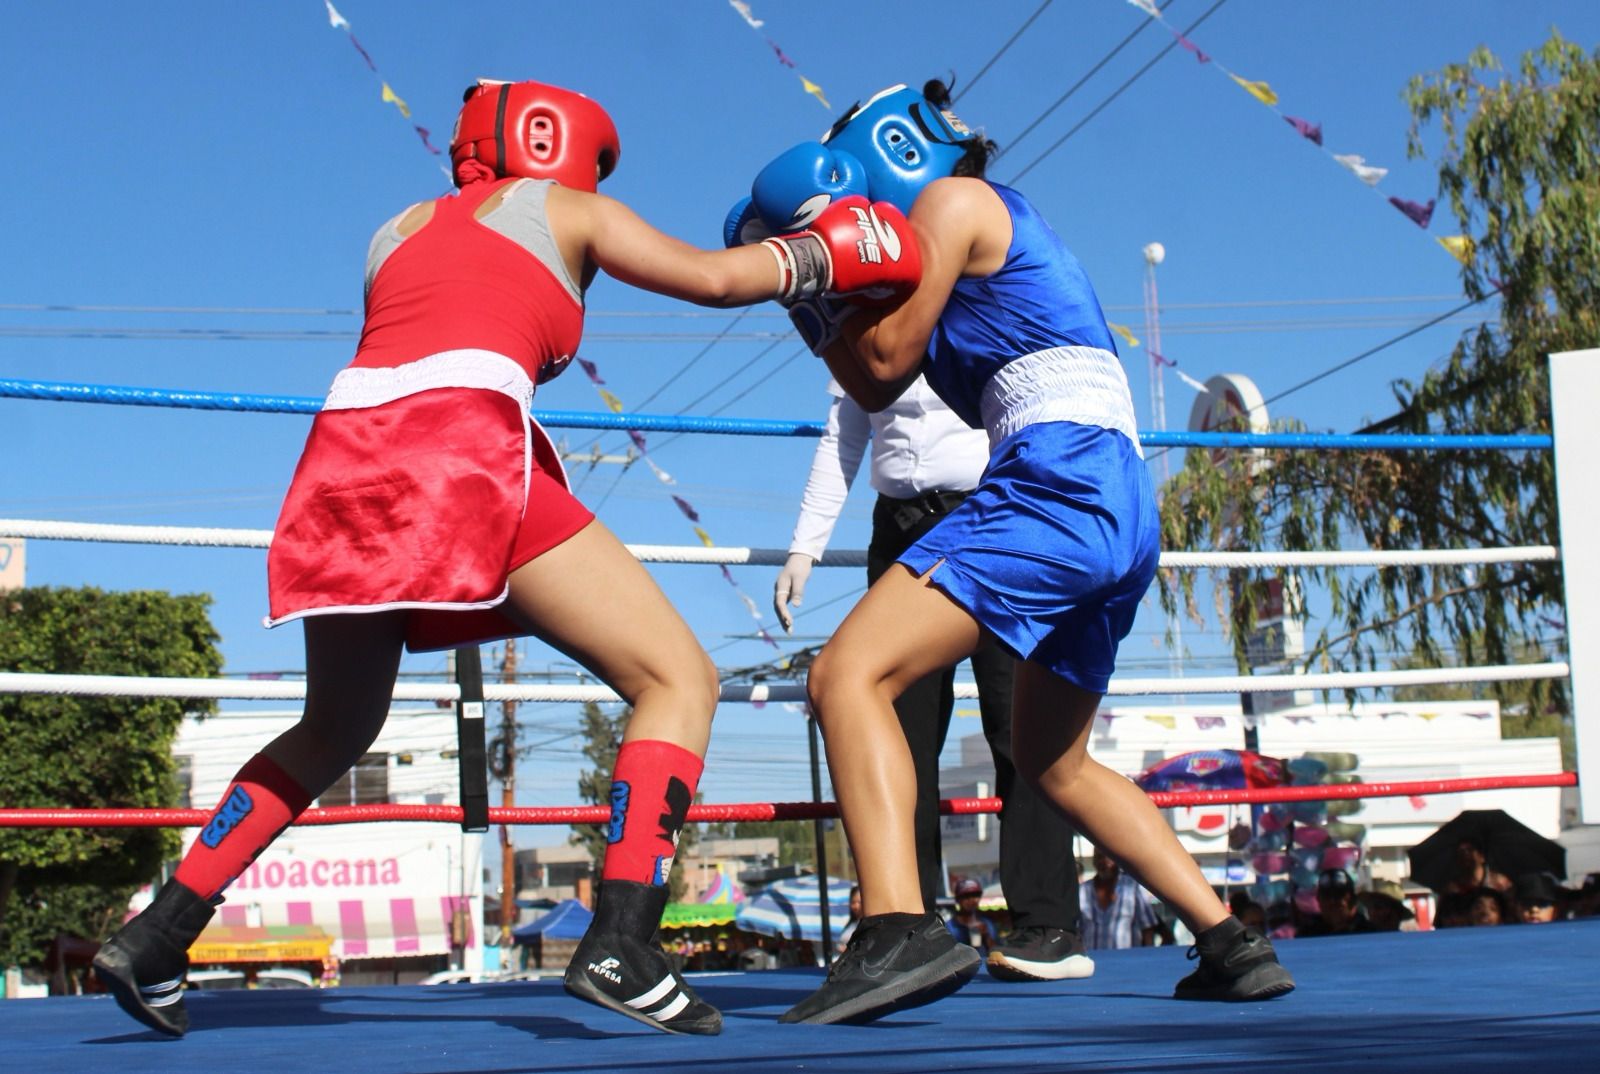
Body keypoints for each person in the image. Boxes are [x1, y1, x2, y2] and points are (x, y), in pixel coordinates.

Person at [90, 77, 920, 1040]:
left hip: (342, 464)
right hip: (460, 450)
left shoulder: (394, 231)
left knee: (334, 726)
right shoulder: (569, 207)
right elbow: (712, 278)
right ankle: (623, 940)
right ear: (557, 141)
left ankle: (159, 932)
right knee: (676, 677)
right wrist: (835, 251)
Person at [751, 80, 1294, 1024]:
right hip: (1112, 505)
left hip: (1056, 482)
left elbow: (875, 368)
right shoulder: (971, 252)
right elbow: (875, 383)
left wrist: (800, 270)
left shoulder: (957, 204)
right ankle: (1230, 941)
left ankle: (898, 926)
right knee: (1057, 763)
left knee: (846, 676)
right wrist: (822, 292)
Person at [772, 372, 1089, 982]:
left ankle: (1048, 926)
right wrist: (803, 549)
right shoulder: (861, 320)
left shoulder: (978, 302)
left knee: (1022, 726)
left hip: (994, 518)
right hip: (900, 533)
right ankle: (907, 921)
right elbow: (844, 436)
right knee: (896, 734)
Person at [1079, 847, 1163, 950]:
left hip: (1127, 962)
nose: (1105, 862)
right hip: (1094, 961)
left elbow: (1147, 928)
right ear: (1094, 861)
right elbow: (1076, 931)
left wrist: (1149, 956)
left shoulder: (1132, 887)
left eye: (1109, 857)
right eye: (1099, 857)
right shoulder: (1082, 891)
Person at [1296, 868, 1377, 938]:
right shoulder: (1309, 934)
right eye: (1326, 896)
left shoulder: (1369, 932)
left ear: (1353, 899)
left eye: (1338, 895)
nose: (1332, 901)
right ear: (1318, 900)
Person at [946, 878, 999, 954]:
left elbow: (997, 953)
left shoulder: (987, 924)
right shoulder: (949, 927)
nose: (972, 900)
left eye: (975, 895)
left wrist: (986, 935)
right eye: (967, 896)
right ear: (958, 899)